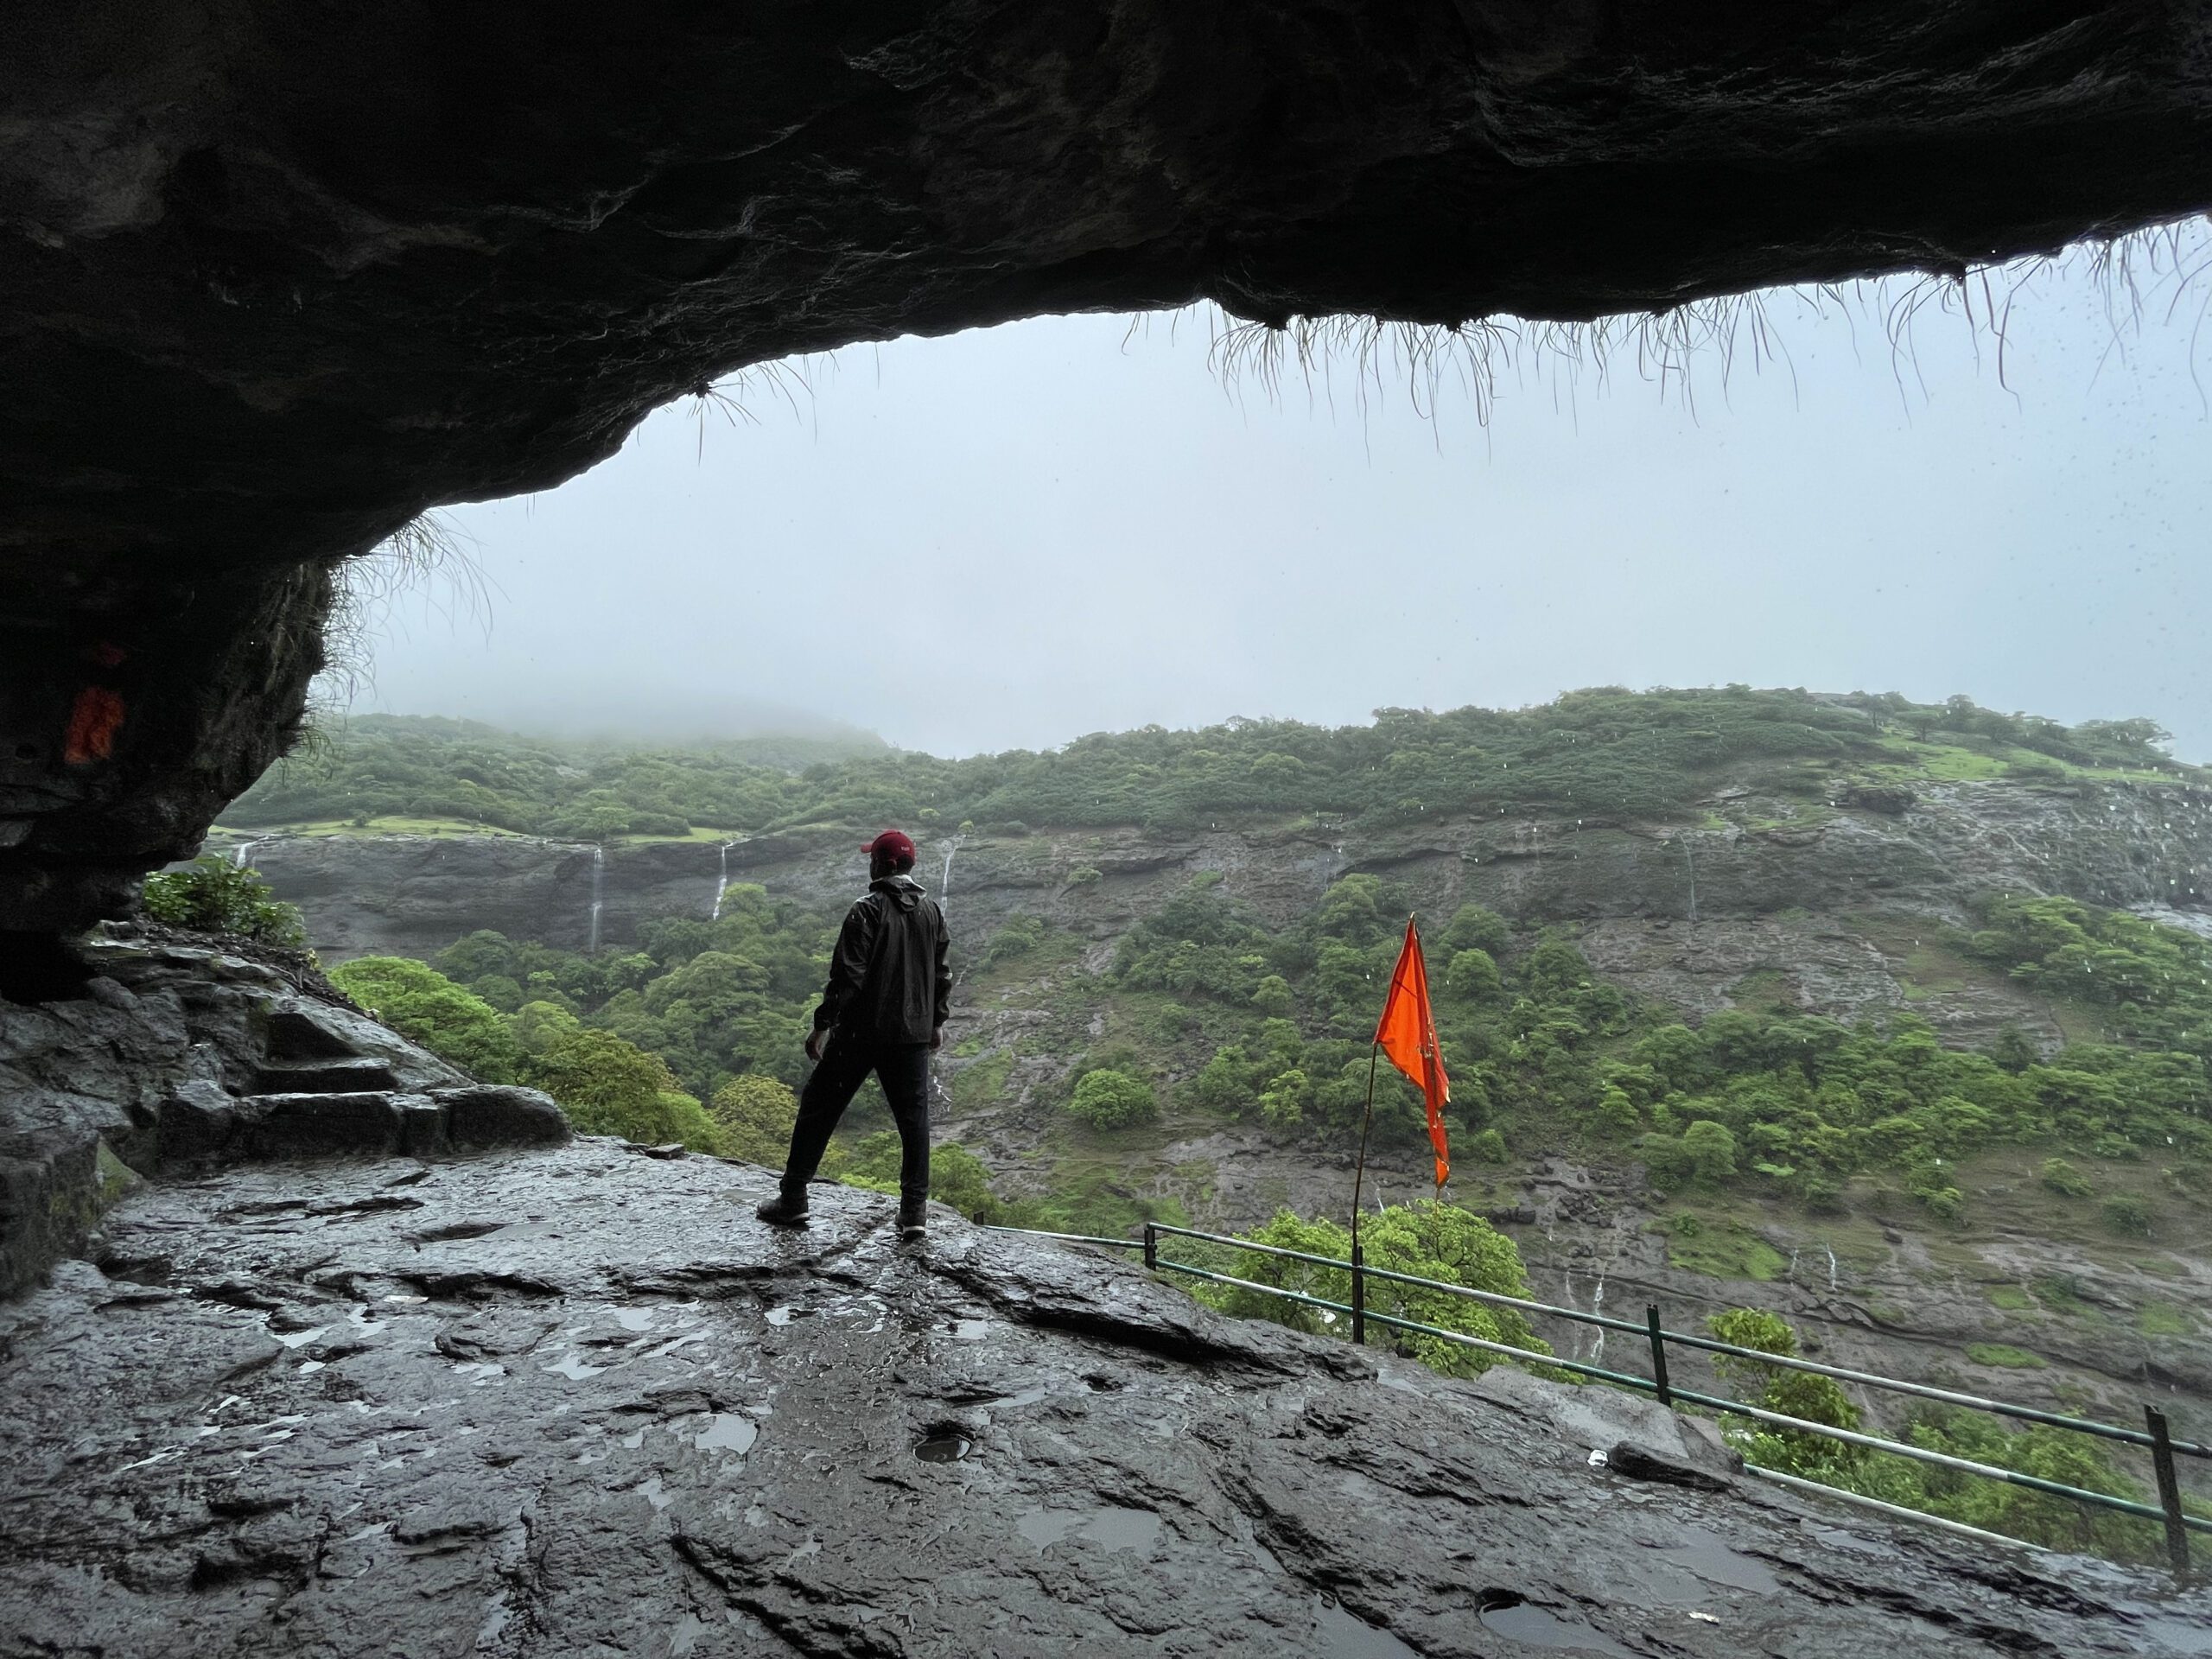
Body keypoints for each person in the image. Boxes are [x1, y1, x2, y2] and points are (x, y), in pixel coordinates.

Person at [756, 828, 950, 1240]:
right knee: (914, 1123)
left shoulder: (867, 909)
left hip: (861, 1033)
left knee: (818, 1107)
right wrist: (935, 1023)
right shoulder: (932, 911)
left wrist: (822, 1025)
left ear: (887, 865)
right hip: (912, 1035)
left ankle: (793, 1199)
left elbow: (848, 976)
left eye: (873, 858)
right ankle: (914, 1213)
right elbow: (941, 975)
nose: (869, 862)